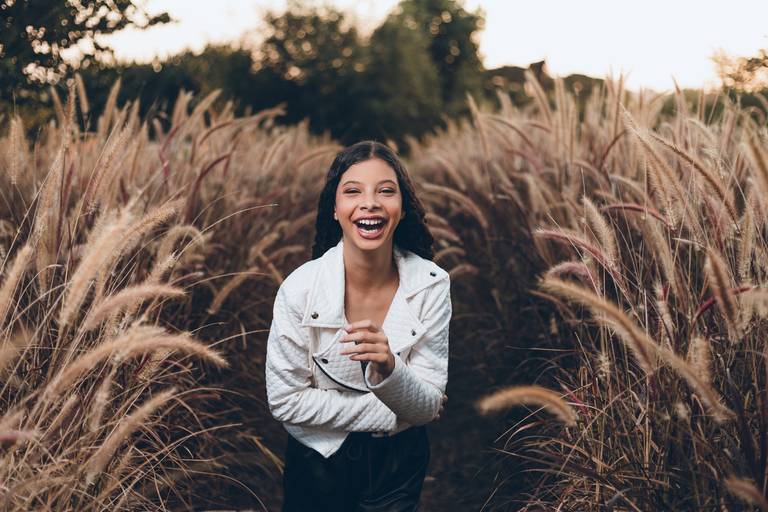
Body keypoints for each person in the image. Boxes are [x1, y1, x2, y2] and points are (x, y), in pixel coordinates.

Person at [265, 140, 452, 511]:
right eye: (353, 191)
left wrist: (390, 368)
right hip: (316, 459)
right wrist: (395, 412)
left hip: (397, 464)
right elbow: (285, 401)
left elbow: (428, 404)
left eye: (386, 191)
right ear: (334, 209)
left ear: (403, 209)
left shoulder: (431, 285)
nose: (370, 203)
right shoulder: (299, 290)